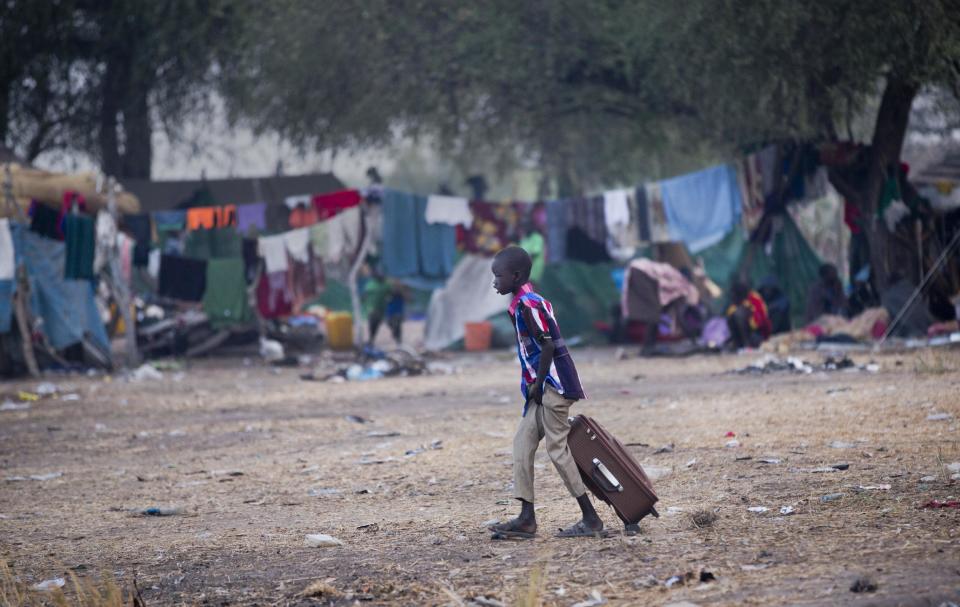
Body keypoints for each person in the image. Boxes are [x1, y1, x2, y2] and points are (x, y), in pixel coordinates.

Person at [487, 245, 607, 539]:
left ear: (515, 276)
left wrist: (539, 384)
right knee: (522, 445)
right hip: (539, 388)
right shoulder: (521, 303)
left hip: (552, 386)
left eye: (498, 276)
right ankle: (526, 519)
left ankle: (591, 519)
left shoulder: (529, 304)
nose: (494, 282)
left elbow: (548, 345)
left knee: (557, 450)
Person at [726, 280, 772, 349]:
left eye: (734, 295)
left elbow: (760, 323)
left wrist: (749, 314)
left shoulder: (754, 299)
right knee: (734, 316)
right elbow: (730, 316)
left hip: (759, 334)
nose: (733, 297)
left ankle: (747, 345)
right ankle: (738, 344)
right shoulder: (737, 304)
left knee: (740, 314)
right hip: (745, 334)